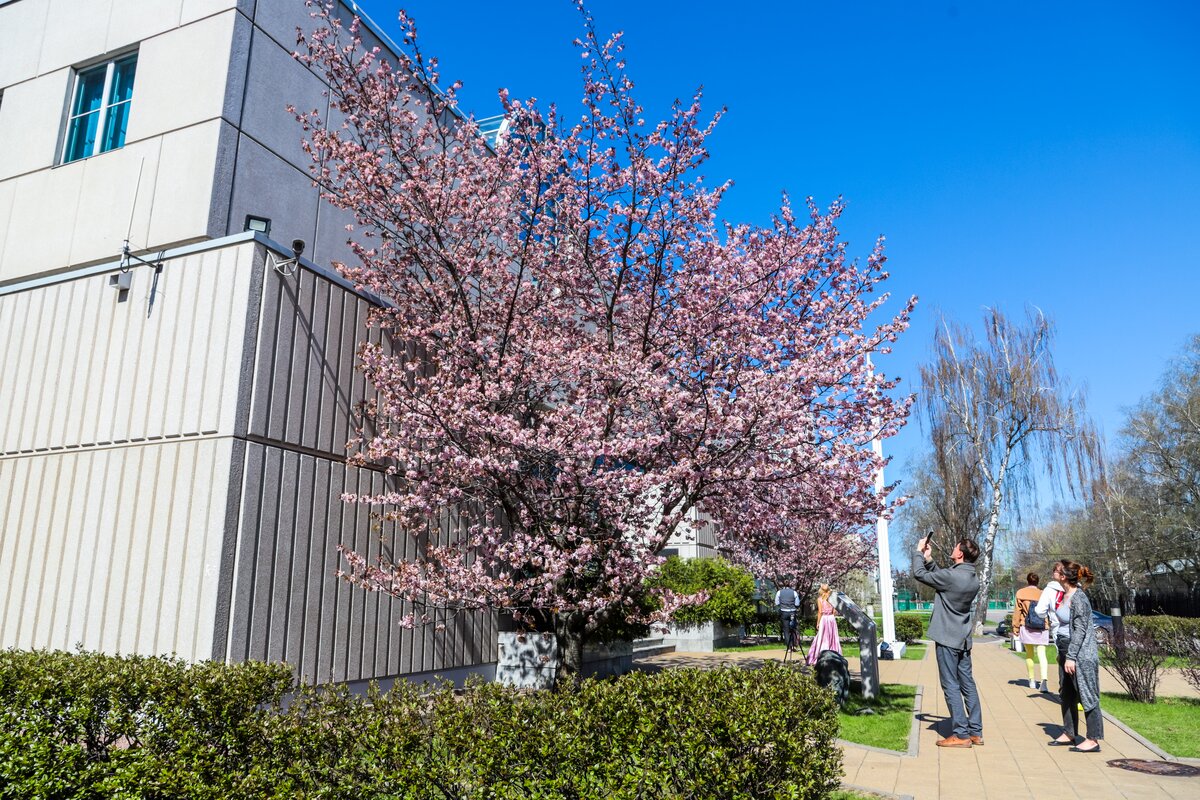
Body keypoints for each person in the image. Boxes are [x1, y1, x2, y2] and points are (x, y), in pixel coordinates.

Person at [914, 533, 983, 748]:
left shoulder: (954, 577)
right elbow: (945, 580)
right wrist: (929, 559)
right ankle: (975, 732)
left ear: (959, 553)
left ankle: (961, 734)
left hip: (947, 638)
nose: (952, 549)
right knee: (967, 684)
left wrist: (918, 552)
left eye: (955, 547)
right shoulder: (972, 578)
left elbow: (919, 574)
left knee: (950, 684)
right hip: (962, 638)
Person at [1049, 560, 1104, 753]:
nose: (1053, 572)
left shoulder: (1079, 598)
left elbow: (1080, 630)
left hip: (1080, 654)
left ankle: (1093, 739)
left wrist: (1071, 656)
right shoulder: (1065, 594)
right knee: (1067, 694)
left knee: (1087, 694)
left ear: (1064, 576)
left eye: (1056, 570)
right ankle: (1069, 733)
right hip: (1066, 650)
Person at [1014, 572, 1051, 691]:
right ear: (1037, 582)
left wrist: (1015, 627)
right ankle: (1044, 682)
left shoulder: (1021, 593)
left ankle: (1031, 680)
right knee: (1042, 655)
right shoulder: (1043, 594)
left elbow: (1017, 612)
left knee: (1029, 654)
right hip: (1042, 627)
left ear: (1027, 581)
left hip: (1026, 626)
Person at [806, 584, 842, 665]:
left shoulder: (820, 599)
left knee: (822, 637)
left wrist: (818, 622)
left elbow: (820, 612)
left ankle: (821, 655)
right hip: (831, 619)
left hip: (824, 619)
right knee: (832, 637)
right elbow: (834, 612)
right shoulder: (832, 599)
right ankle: (834, 654)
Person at [774, 583, 800, 650]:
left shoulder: (779, 592)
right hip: (792, 612)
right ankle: (795, 644)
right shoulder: (794, 592)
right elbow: (797, 603)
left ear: (783, 586)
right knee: (793, 628)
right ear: (790, 585)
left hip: (784, 612)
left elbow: (777, 603)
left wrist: (782, 604)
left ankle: (789, 647)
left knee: (786, 630)